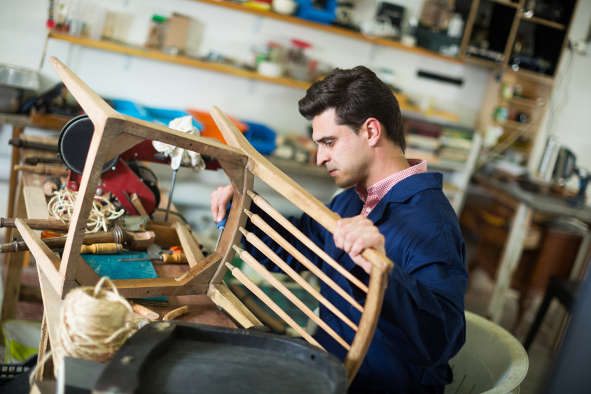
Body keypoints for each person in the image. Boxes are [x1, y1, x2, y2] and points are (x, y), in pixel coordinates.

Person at [210, 66, 467, 394]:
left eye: (329, 142)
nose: (320, 158)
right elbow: (296, 248)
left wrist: (381, 274)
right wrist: (243, 213)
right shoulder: (350, 201)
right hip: (326, 370)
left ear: (371, 131)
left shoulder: (432, 224)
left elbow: (440, 341)